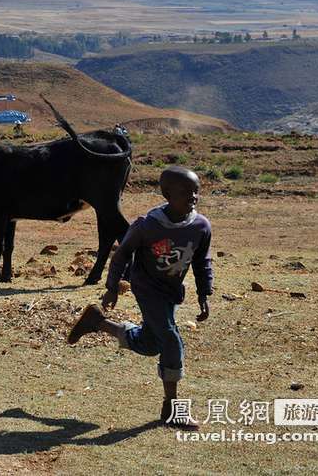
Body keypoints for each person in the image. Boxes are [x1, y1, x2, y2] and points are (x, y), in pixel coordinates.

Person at [67, 166, 213, 429]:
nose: (193, 197)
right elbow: (122, 254)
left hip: (170, 292)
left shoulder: (200, 226)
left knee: (150, 343)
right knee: (170, 340)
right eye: (185, 192)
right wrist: (112, 288)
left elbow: (202, 261)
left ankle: (97, 323)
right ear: (168, 194)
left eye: (196, 192)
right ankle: (172, 410)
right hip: (146, 289)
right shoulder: (148, 225)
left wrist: (205, 293)